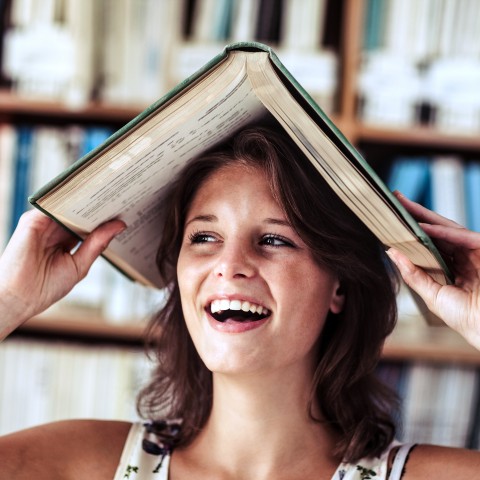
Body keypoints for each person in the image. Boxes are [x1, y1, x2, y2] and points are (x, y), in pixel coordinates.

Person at [0, 127, 479, 479]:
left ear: (340, 286)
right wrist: (9, 300)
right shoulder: (84, 464)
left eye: (273, 239)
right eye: (204, 236)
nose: (229, 266)